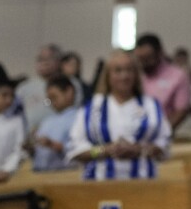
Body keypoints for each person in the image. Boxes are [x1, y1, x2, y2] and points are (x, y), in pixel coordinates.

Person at [67, 50, 171, 180]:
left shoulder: (151, 107)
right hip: (98, 184)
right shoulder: (91, 108)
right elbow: (77, 151)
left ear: (136, 74)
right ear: (108, 75)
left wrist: (138, 150)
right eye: (118, 70)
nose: (124, 76)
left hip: (144, 182)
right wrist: (105, 150)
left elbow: (164, 146)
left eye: (129, 70)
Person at [135, 33, 191, 128]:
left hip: (165, 132)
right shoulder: (136, 75)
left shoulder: (178, 76)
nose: (144, 63)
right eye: (141, 59)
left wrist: (161, 132)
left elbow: (181, 111)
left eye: (148, 58)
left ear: (159, 53)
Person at [30, 76, 80, 172]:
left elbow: (90, 150)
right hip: (41, 175)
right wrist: (31, 148)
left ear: (69, 92)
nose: (52, 103)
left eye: (54, 97)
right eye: (49, 99)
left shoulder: (80, 118)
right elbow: (39, 149)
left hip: (67, 174)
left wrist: (56, 145)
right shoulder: (46, 122)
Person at [17, 44, 68, 134]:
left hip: (58, 138)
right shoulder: (24, 87)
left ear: (59, 61)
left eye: (48, 59)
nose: (44, 63)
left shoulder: (69, 85)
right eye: (40, 59)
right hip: (30, 138)